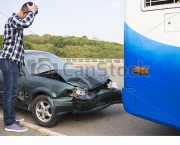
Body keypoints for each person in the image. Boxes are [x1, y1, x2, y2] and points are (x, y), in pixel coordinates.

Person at [0, 2, 38, 132]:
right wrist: (32, 10)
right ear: (24, 12)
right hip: (9, 61)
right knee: (9, 93)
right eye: (28, 14)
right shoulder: (14, 19)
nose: (30, 17)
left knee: (12, 92)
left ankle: (11, 115)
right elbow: (26, 22)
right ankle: (9, 123)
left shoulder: (17, 22)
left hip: (13, 62)